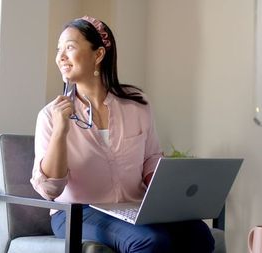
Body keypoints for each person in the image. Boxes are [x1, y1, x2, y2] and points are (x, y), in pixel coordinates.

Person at [30, 16, 215, 253]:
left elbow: (150, 160)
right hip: (78, 212)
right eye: (59, 49)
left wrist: (170, 193)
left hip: (131, 207)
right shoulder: (50, 115)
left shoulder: (136, 104)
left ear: (98, 55)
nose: (60, 57)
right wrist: (60, 130)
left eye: (70, 47)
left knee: (198, 234)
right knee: (150, 240)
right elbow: (49, 190)